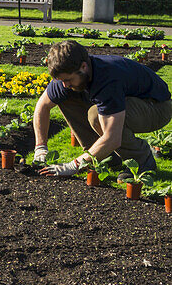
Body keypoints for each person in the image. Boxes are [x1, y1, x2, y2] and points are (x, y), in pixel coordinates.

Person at [33, 39, 172, 180]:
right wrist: (40, 148)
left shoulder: (107, 78)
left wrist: (73, 166)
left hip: (157, 107)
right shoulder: (67, 77)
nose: (65, 84)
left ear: (83, 67)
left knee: (95, 115)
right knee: (67, 97)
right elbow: (42, 106)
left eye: (68, 80)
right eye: (61, 80)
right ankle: (107, 158)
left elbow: (112, 138)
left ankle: (142, 162)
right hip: (133, 101)